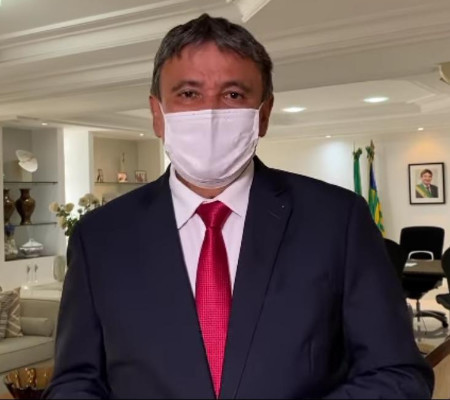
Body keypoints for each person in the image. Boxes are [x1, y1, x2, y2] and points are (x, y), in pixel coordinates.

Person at [44, 14, 433, 399]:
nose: (210, 113)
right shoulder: (99, 238)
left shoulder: (337, 220)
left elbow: (398, 374)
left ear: (263, 114)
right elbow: (75, 382)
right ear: (157, 114)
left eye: (233, 95)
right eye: (188, 94)